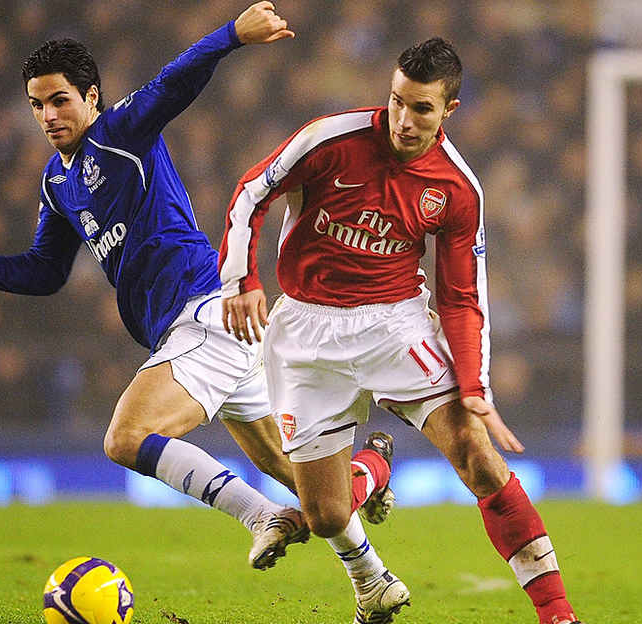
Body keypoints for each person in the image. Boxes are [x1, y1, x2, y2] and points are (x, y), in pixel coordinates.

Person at [0, 2, 395, 583]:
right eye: (36, 104)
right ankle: (375, 547)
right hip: (191, 328)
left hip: (204, 314)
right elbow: (45, 272)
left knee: (127, 437)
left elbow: (174, 81)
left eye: (60, 99)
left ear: (91, 97)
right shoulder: (56, 181)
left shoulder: (121, 132)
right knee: (309, 484)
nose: (47, 115)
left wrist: (232, 36)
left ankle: (261, 515)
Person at [220, 38, 581, 624]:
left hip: (395, 323)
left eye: (421, 109)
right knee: (326, 517)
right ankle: (376, 469)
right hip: (305, 331)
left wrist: (474, 387)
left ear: (450, 111)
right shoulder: (330, 139)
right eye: (396, 102)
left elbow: (462, 297)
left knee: (477, 456)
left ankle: (558, 614)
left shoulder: (458, 189)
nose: (403, 121)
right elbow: (251, 190)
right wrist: (242, 280)